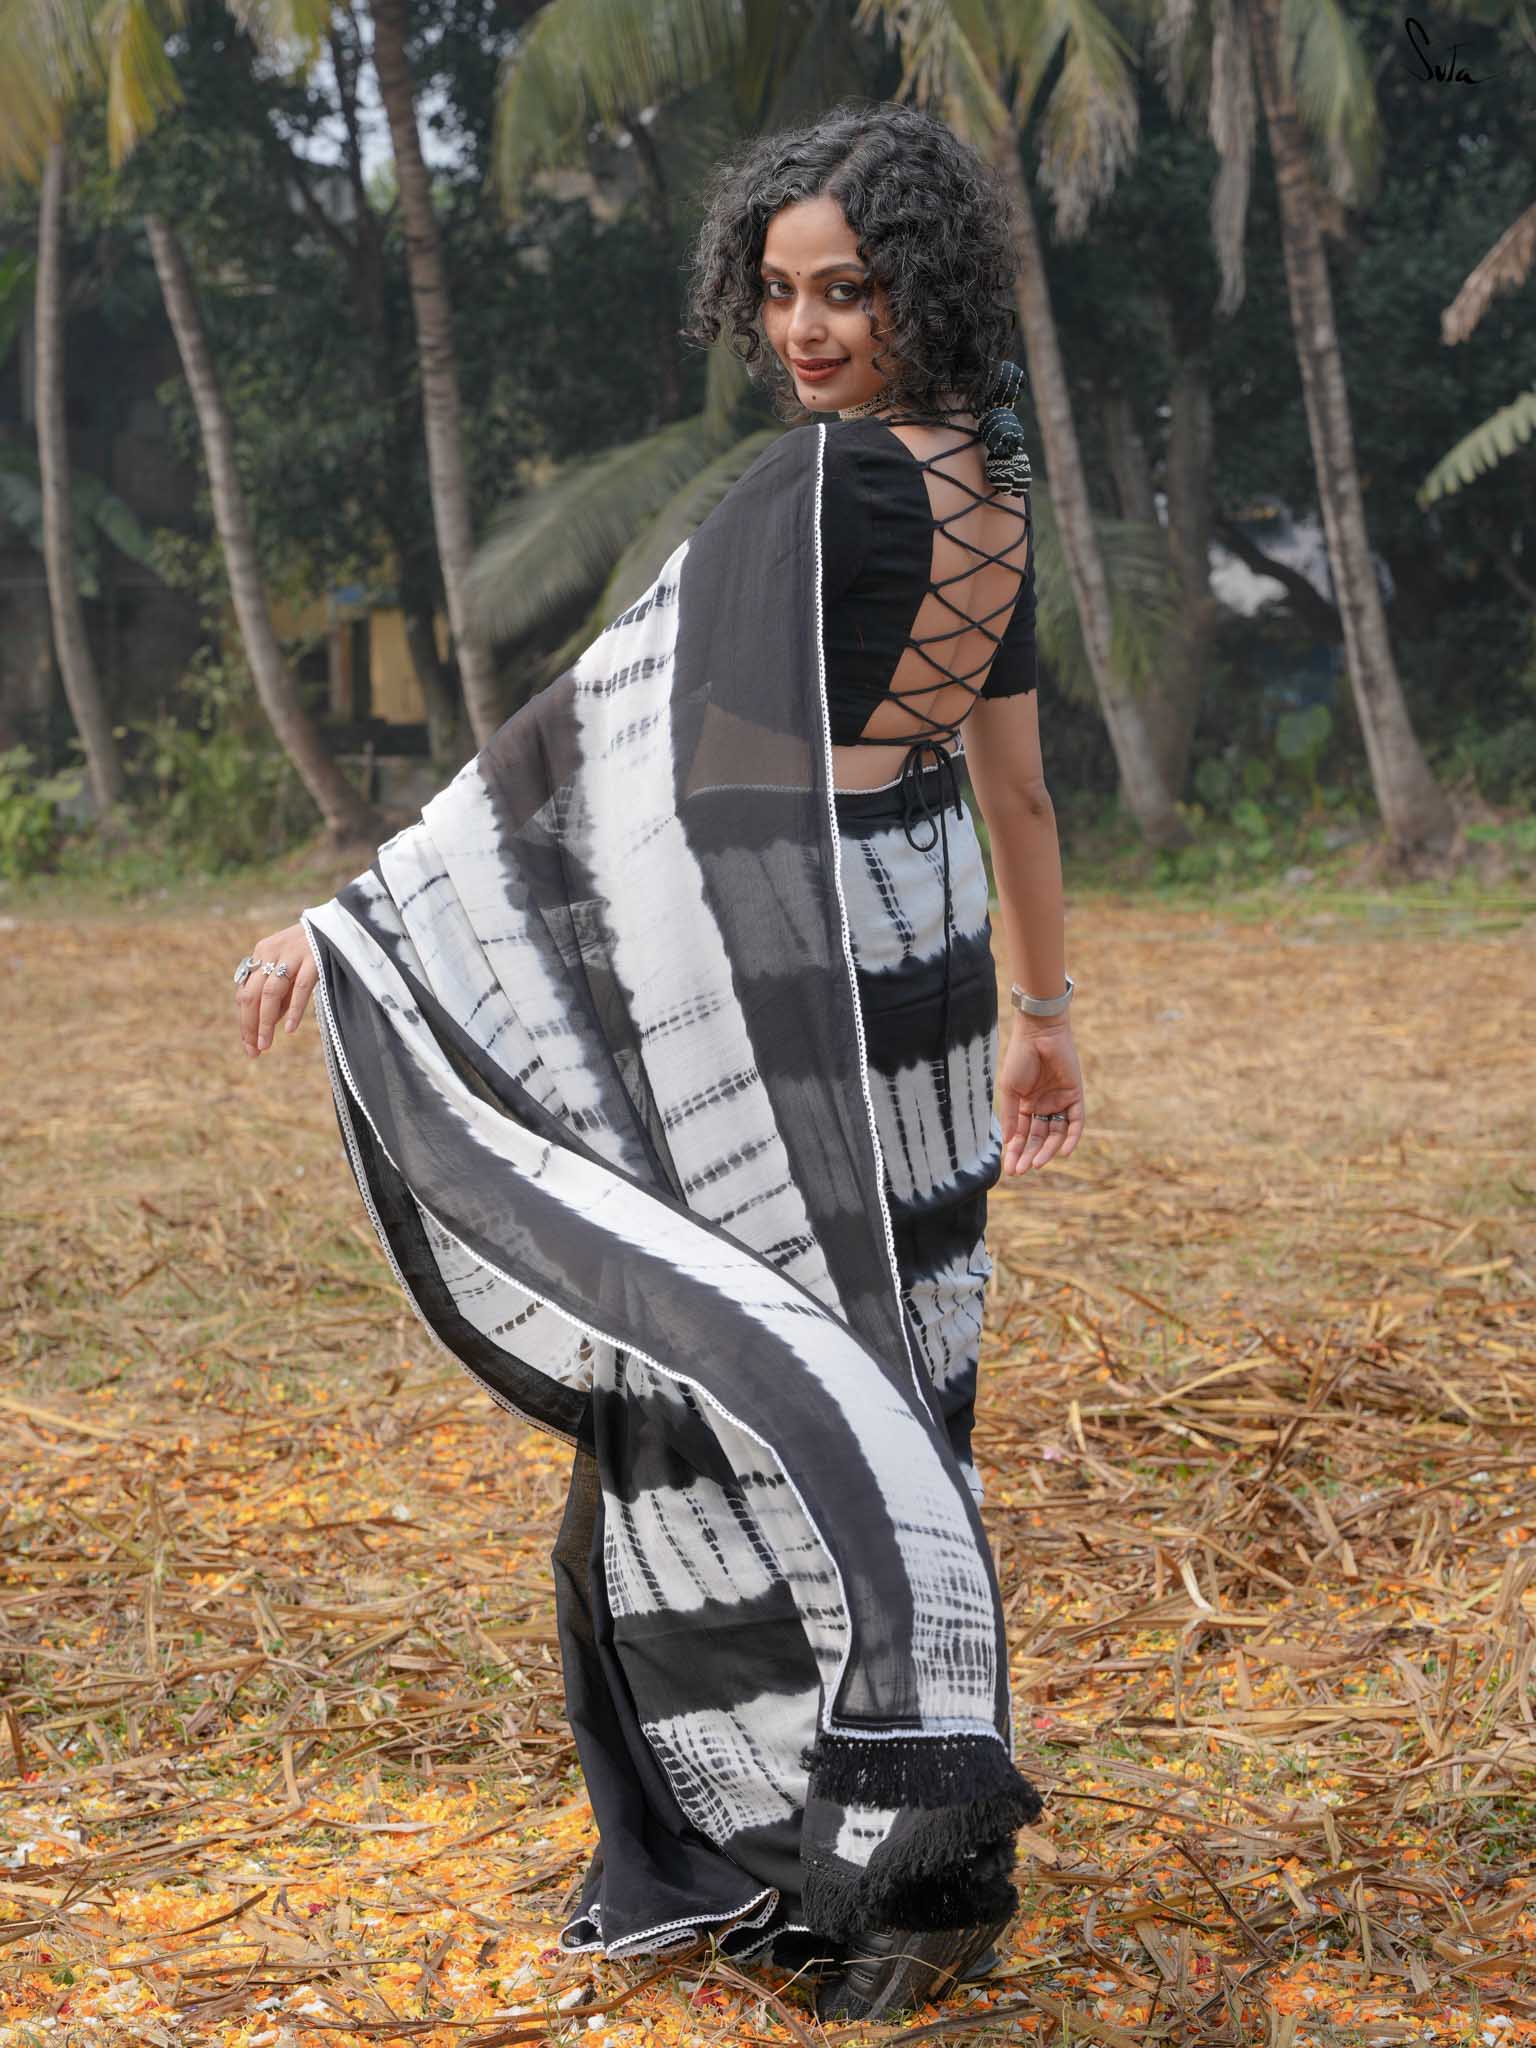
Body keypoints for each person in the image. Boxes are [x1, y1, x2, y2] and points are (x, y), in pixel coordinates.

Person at [232, 100, 1084, 2026]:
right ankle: (914, 1829)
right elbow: (1018, 790)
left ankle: (824, 1838)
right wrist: (1044, 1015)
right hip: (929, 945)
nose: (804, 331)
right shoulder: (996, 486)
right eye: (777, 293)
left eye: (846, 290)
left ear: (922, 288)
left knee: (726, 1369)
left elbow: (590, 728)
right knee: (894, 1377)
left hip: (797, 962)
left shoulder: (817, 488)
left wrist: (359, 924)